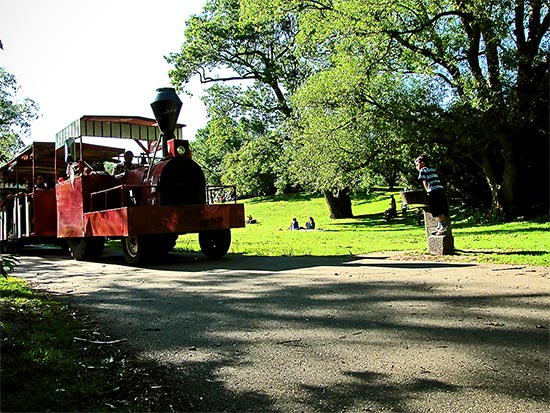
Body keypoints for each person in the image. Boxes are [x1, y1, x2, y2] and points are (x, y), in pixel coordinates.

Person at [415, 154, 450, 235]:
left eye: (417, 164)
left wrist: (428, 191)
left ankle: (443, 226)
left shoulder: (423, 170)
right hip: (440, 190)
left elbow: (425, 182)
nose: (416, 167)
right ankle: (439, 225)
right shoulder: (431, 169)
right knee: (441, 207)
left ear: (423, 163)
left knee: (437, 209)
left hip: (433, 191)